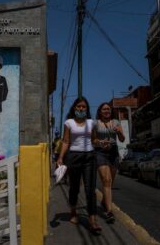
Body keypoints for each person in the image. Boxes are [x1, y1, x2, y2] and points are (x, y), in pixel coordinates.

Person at [57, 97, 101, 232]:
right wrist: (60, 157)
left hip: (89, 157)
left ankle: (92, 220)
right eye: (78, 107)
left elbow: (93, 139)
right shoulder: (69, 123)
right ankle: (73, 212)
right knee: (74, 188)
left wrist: (100, 142)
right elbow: (65, 141)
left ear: (87, 109)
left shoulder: (91, 123)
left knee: (90, 189)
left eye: (83, 107)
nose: (81, 109)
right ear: (74, 108)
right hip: (73, 157)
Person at [92, 102, 125, 223]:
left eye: (108, 109)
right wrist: (101, 143)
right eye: (104, 109)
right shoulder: (96, 124)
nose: (107, 111)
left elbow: (122, 139)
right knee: (106, 180)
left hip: (113, 153)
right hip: (100, 153)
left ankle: (104, 200)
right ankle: (109, 211)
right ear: (100, 111)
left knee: (110, 182)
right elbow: (93, 140)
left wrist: (119, 132)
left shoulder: (116, 122)